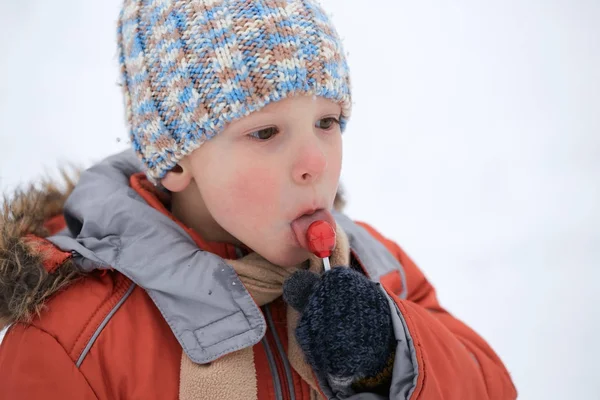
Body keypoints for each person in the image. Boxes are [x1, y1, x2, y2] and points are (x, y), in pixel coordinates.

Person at [0, 0, 517, 398]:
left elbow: (491, 385)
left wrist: (388, 355)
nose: (313, 161)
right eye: (267, 132)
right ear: (175, 160)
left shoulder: (373, 266)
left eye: (327, 122)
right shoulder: (74, 336)